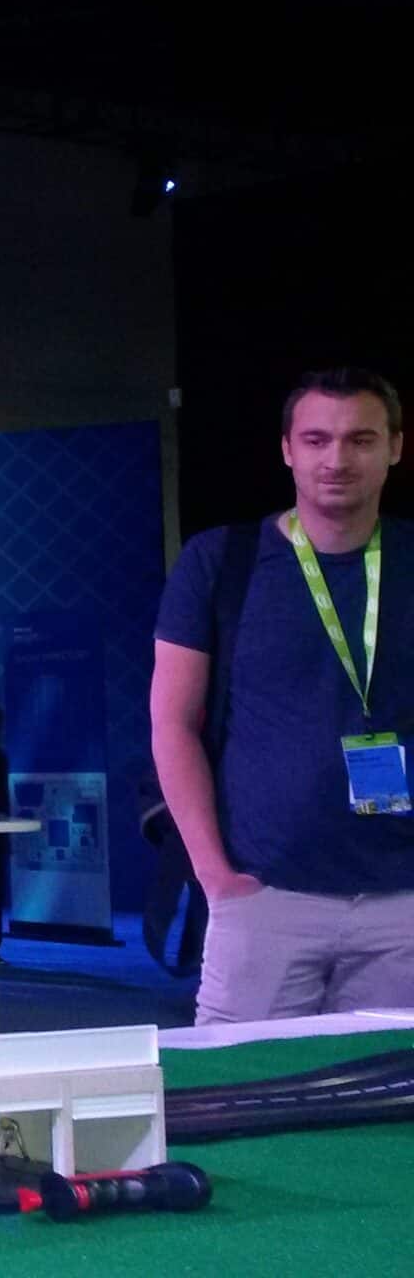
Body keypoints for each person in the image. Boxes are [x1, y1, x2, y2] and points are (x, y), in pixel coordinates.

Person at [153, 368, 414, 1022]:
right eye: (317, 440)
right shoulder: (221, 562)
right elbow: (172, 723)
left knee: (386, 1091)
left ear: (395, 447)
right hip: (263, 897)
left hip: (402, 905)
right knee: (242, 1082)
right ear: (287, 450)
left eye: (360, 440)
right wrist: (215, 876)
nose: (337, 459)